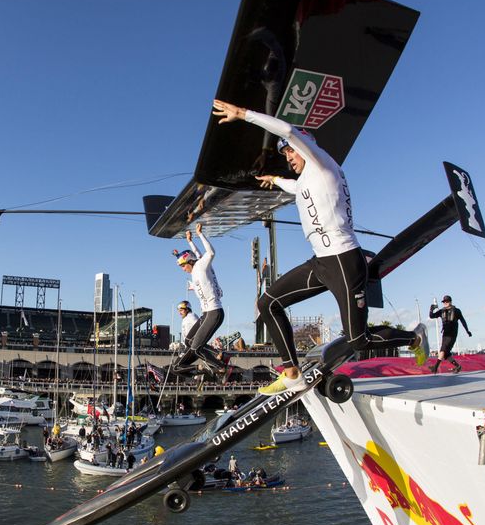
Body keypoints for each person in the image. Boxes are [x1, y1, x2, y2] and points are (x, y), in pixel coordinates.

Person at [211, 99, 429, 394]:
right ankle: (292, 373)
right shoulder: (306, 181)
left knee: (358, 340)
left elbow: (287, 129)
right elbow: (294, 187)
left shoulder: (323, 163)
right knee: (268, 303)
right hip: (322, 262)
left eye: (290, 151)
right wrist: (274, 179)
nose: (288, 157)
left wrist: (243, 114)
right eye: (286, 154)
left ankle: (414, 338)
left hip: (344, 261)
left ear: (305, 145)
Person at [171, 223, 227, 379]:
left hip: (214, 312)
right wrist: (190, 241)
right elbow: (196, 253)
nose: (183, 269)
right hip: (206, 313)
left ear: (189, 262)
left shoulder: (201, 266)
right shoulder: (196, 267)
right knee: (189, 341)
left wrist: (200, 234)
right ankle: (216, 354)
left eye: (183, 266)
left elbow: (210, 252)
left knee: (196, 348)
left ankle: (222, 366)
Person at [428, 296, 471, 374]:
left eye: (447, 301)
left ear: (450, 301)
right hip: (445, 334)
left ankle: (435, 367)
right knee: (446, 354)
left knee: (443, 349)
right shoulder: (442, 311)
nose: (445, 303)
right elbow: (431, 316)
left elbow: (463, 321)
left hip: (452, 334)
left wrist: (467, 331)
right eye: (444, 302)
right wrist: (431, 309)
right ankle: (458, 366)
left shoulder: (457, 311)